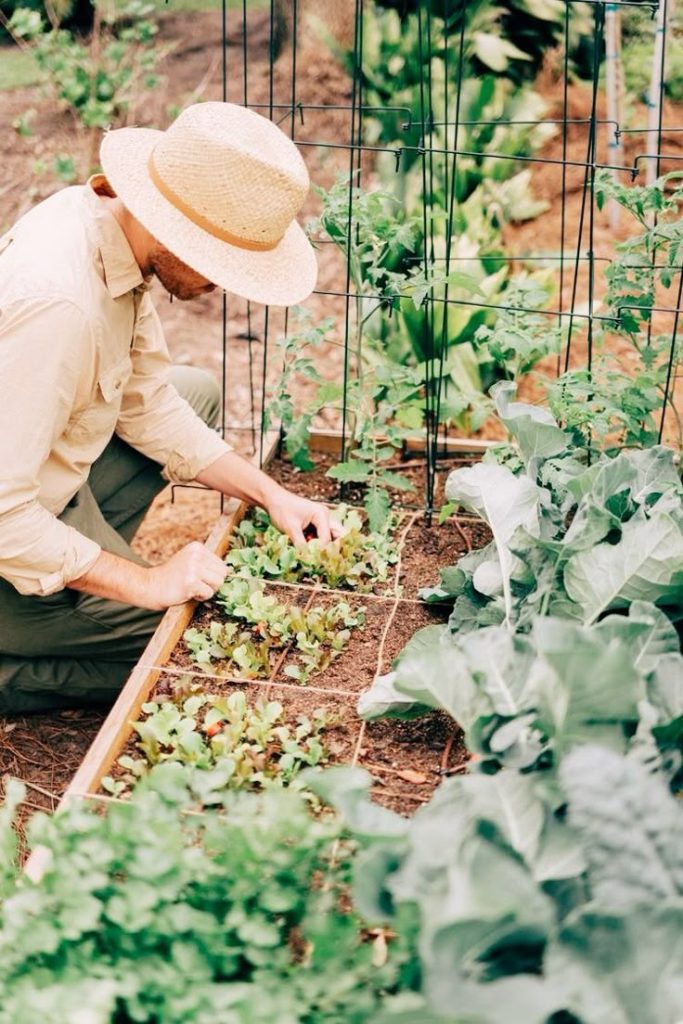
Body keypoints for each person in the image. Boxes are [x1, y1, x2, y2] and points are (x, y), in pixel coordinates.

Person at [0, 101, 341, 713]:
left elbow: (148, 402)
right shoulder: (61, 308)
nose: (228, 283)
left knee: (192, 389)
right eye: (222, 262)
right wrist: (149, 582)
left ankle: (74, 575)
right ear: (171, 226)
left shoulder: (107, 228)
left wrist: (271, 494)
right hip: (8, 533)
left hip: (38, 481)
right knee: (191, 639)